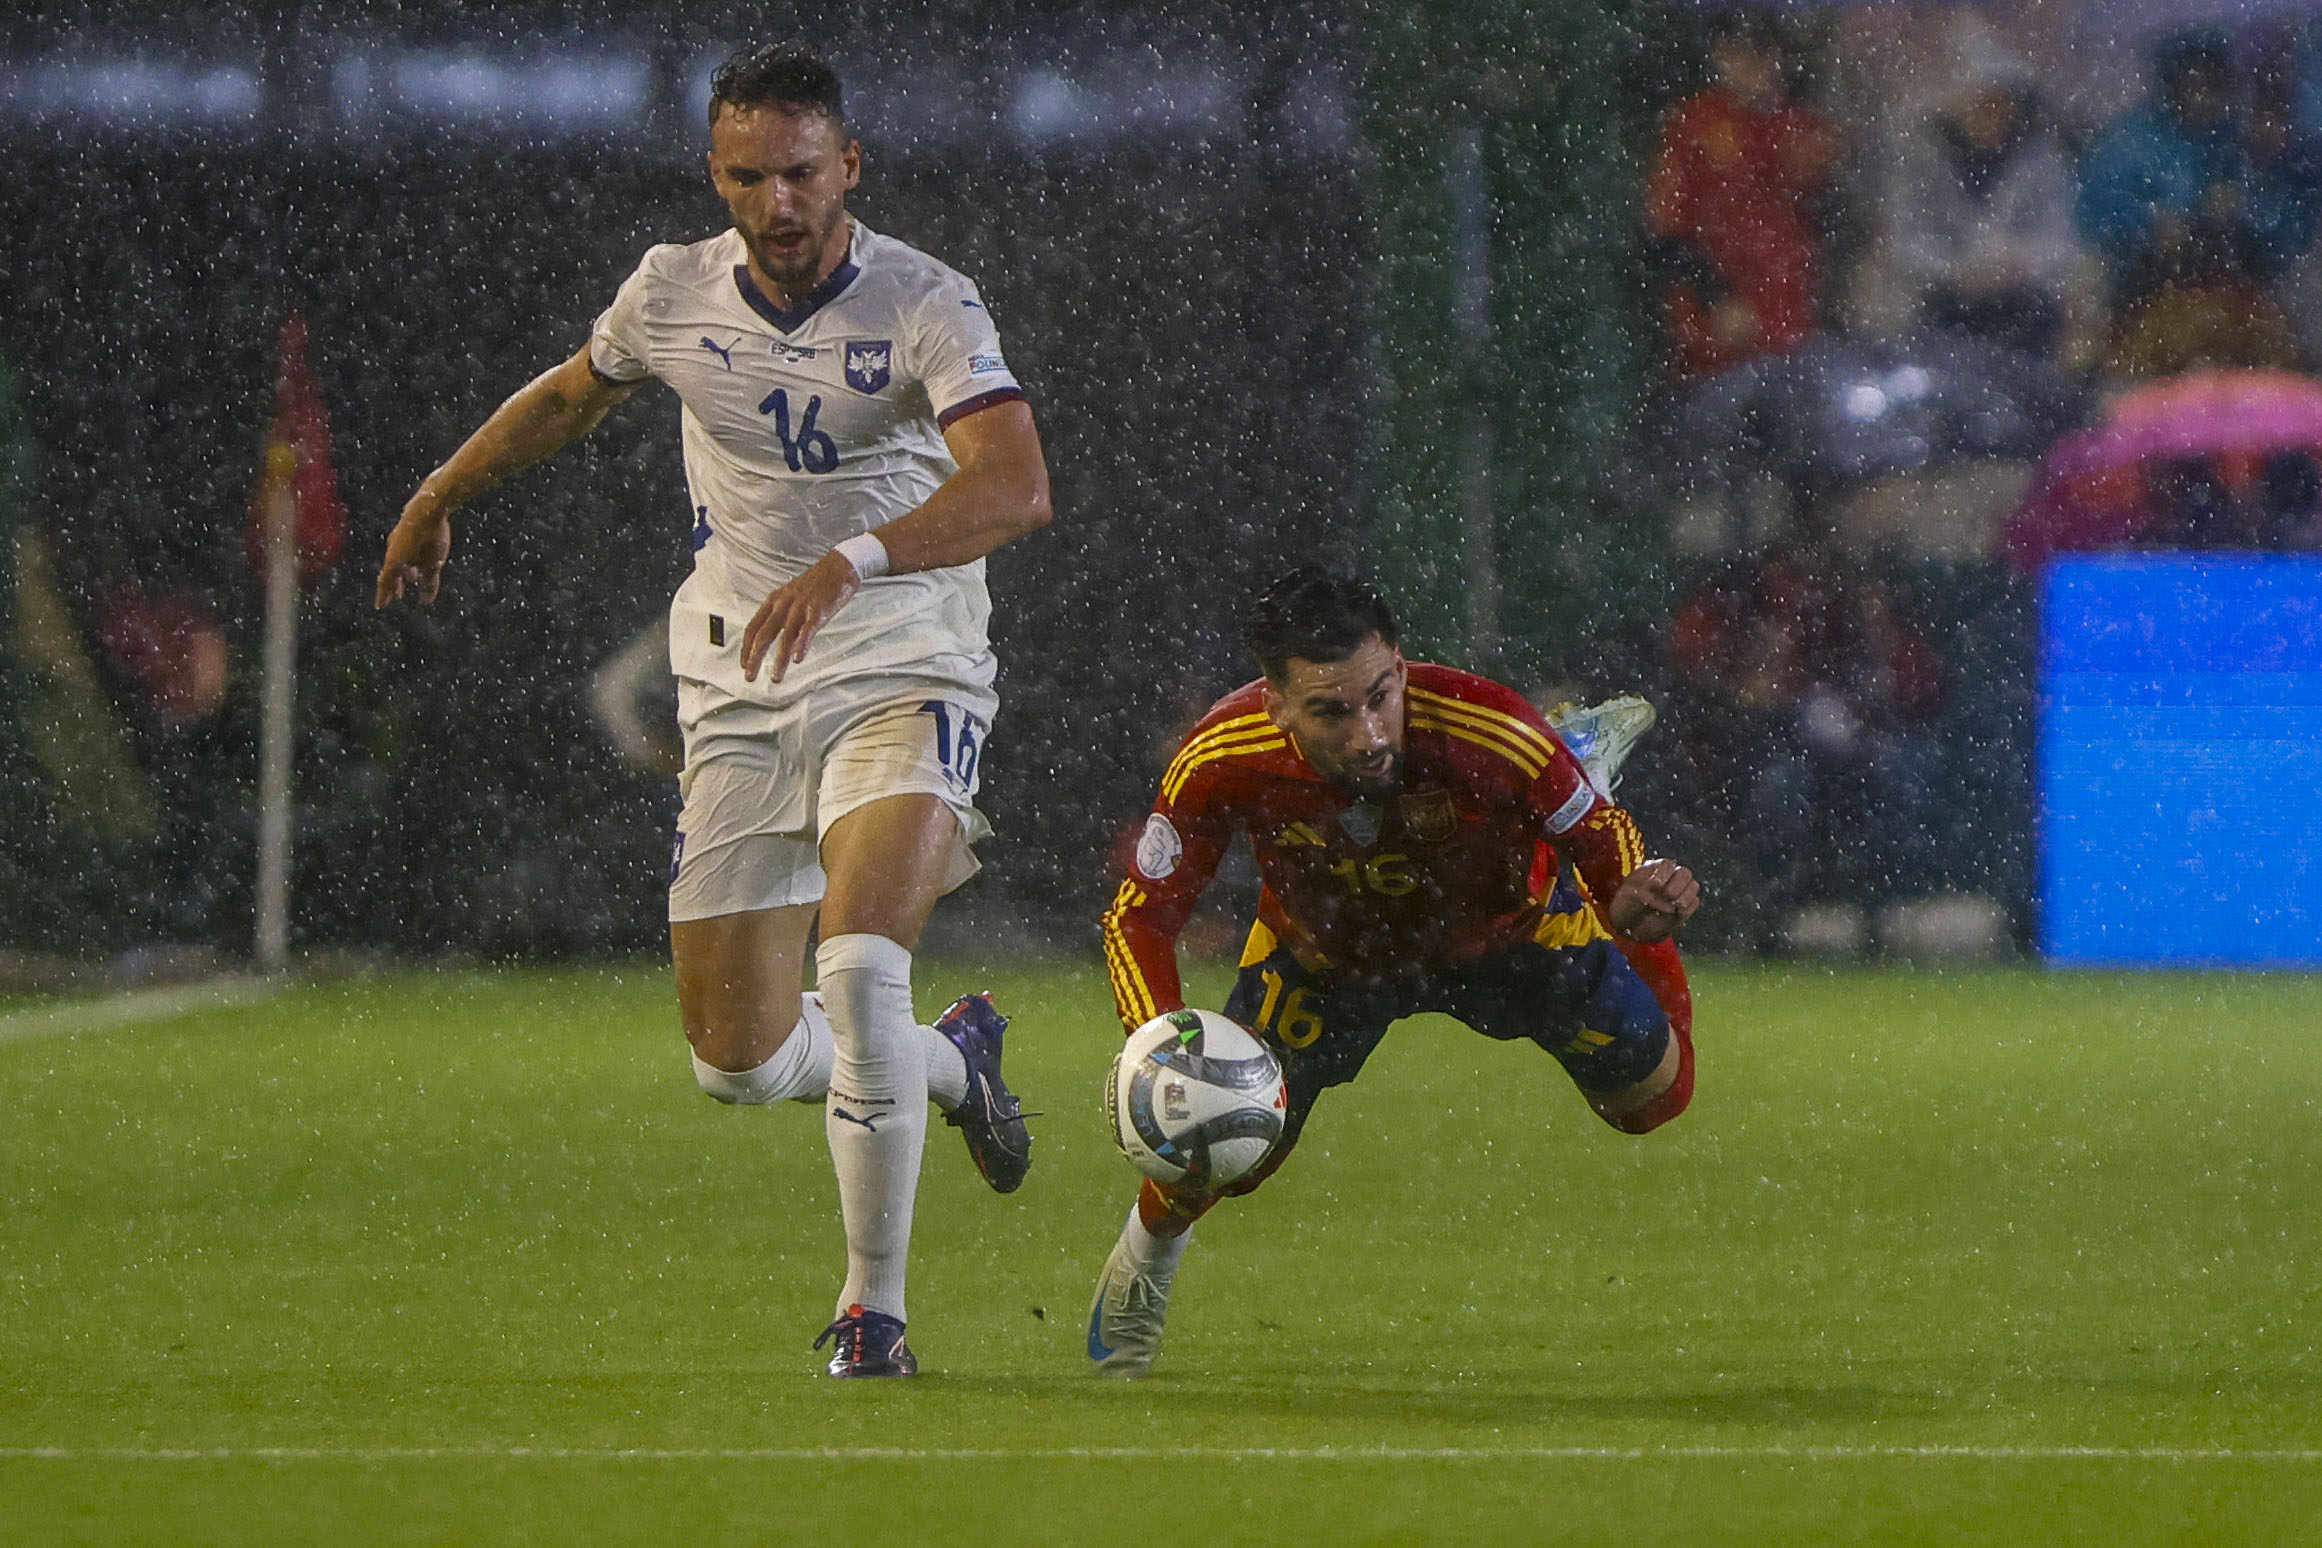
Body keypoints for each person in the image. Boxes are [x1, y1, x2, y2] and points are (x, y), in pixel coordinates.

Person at [375, 43, 1052, 1378]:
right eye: (746, 177)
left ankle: (872, 1314)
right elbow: (570, 396)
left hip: (905, 658)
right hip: (741, 675)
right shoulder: (671, 290)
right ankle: (951, 1065)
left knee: (858, 968)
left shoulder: (925, 300)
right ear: (713, 174)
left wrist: (855, 559)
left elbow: (1017, 487)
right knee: (736, 1062)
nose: (775, 204)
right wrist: (441, 490)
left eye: (799, 173)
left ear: (848, 165)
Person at [1086, 569, 1701, 1377]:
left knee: (1656, 1101)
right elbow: (1140, 916)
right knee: (1222, 1140)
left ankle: (1577, 765)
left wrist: (1634, 901)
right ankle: (1146, 1257)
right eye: (1332, 713)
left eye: (1381, 697)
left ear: (1402, 668)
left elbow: (1610, 846)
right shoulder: (1221, 755)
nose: (1370, 735)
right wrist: (1158, 1043)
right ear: (1276, 706)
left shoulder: (1494, 730)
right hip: (1329, 959)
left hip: (1508, 939)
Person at [2077, 34, 2315, 376]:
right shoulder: (2131, 139)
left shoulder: (2238, 141)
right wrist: (2150, 222)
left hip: (2233, 282)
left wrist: (2242, 207)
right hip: (2146, 279)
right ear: (2171, 82)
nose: (2200, 93)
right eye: (2191, 81)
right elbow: (2095, 211)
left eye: (2211, 82)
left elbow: (2284, 231)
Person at [1644, 11, 1839, 387]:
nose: (1750, 66)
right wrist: (1714, 303)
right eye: (1736, 53)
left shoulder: (1806, 129)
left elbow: (1831, 223)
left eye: (1760, 53)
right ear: (1718, 56)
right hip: (1718, 340)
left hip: (1798, 330)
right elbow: (1666, 230)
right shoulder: (1695, 124)